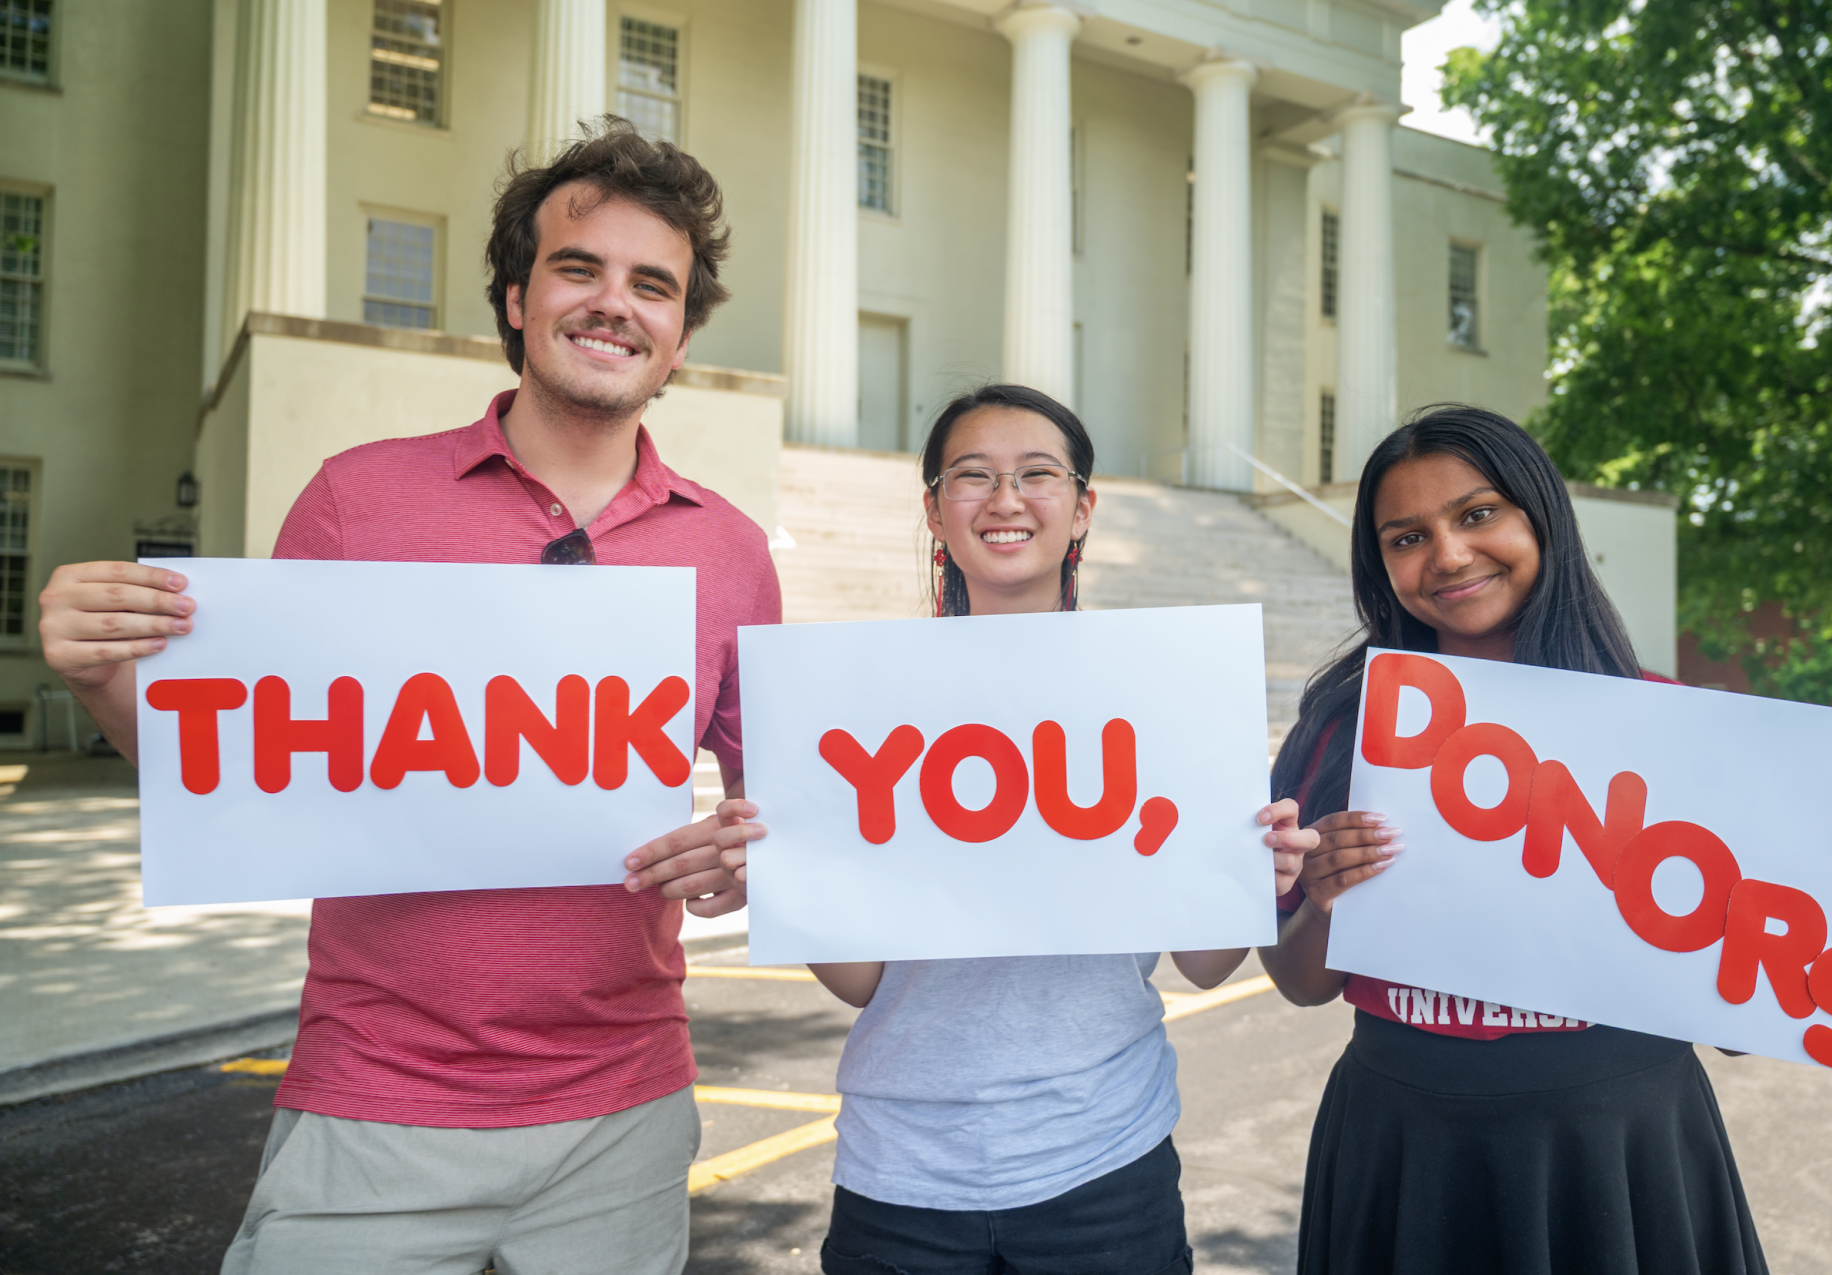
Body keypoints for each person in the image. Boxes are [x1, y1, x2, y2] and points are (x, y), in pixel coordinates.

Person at [37, 120, 775, 1274]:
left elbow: (773, 829)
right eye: (579, 268)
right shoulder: (355, 504)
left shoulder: (733, 554)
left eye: (654, 286)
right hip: (375, 1104)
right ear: (517, 297)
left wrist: (741, 863)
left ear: (680, 334)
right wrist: (102, 679)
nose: (613, 304)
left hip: (622, 1117)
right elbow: (228, 779)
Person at [723, 383, 1316, 1275]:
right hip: (902, 1172)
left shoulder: (1162, 690)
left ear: (1082, 508)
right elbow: (859, 983)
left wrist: (1250, 874)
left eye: (1038, 474)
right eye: (973, 476)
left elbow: (1201, 965)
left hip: (1107, 1166)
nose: (1006, 499)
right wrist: (789, 869)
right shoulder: (861, 702)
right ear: (933, 509)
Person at [1262, 404, 1774, 1274]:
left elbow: (1746, 1019)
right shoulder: (1341, 725)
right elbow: (1302, 982)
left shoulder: (1668, 723)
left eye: (1477, 513)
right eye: (1406, 536)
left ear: (1542, 518)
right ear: (1379, 565)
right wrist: (1322, 903)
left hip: (1621, 1153)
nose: (1449, 555)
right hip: (1407, 1144)